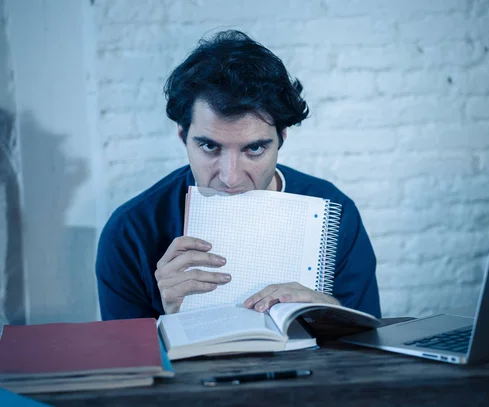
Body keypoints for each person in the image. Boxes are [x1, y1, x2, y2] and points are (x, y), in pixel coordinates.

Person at [96, 30, 381, 320]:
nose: (230, 178)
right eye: (209, 146)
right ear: (183, 136)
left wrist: (328, 316)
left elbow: (370, 348)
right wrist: (171, 321)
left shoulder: (334, 211)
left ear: (281, 138)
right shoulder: (130, 232)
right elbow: (129, 363)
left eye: (254, 148)